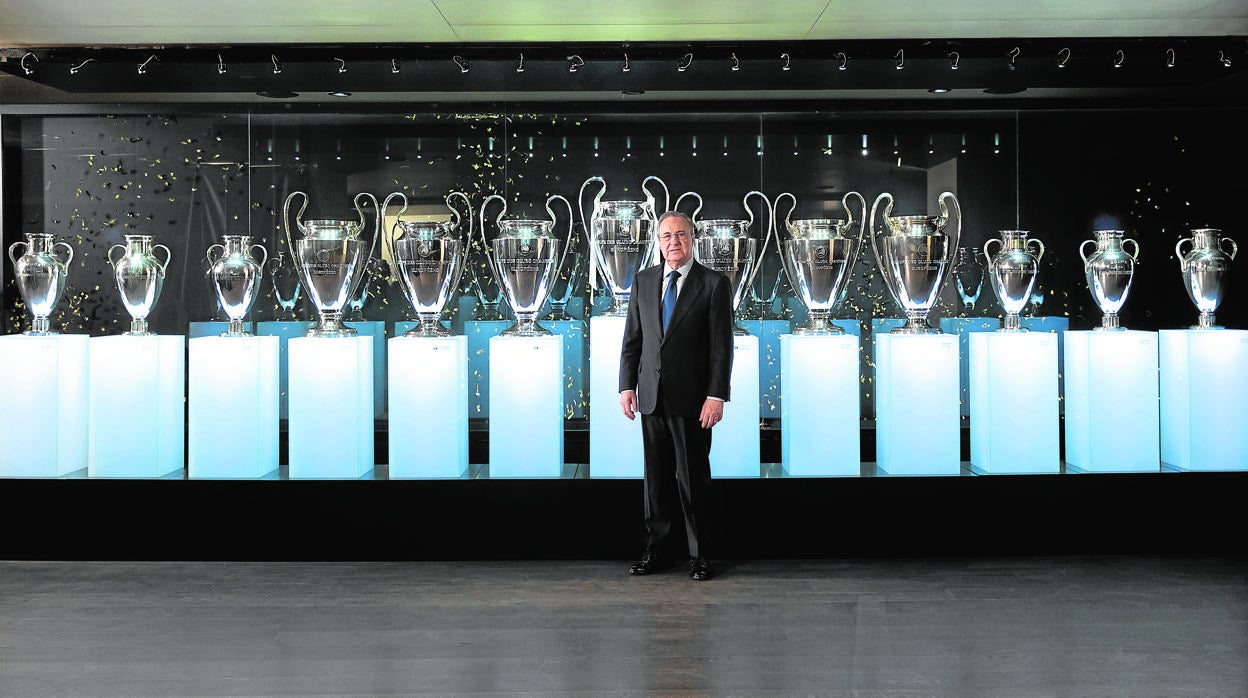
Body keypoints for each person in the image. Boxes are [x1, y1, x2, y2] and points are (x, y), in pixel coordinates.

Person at [618, 210, 734, 581]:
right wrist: (626, 386)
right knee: (655, 481)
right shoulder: (643, 281)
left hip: (693, 401)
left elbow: (721, 348)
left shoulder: (714, 284)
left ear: (693, 238)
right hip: (651, 397)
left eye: (680, 235)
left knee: (693, 480)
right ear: (658, 240)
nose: (673, 243)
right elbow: (632, 341)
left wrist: (716, 395)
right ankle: (657, 551)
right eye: (666, 236)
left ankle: (699, 556)